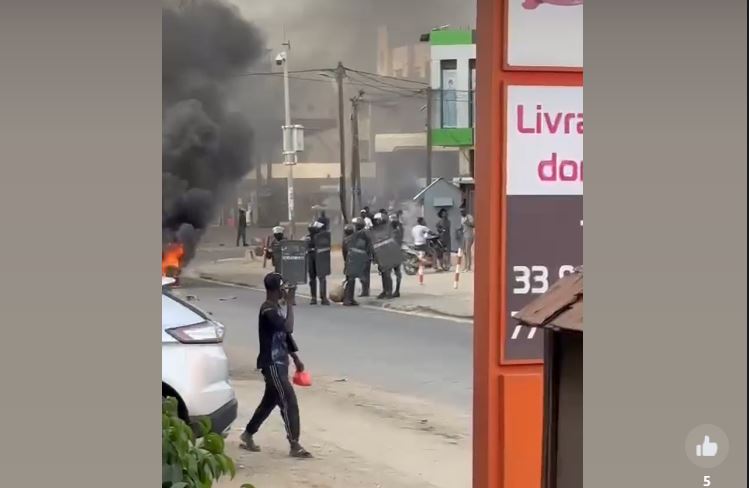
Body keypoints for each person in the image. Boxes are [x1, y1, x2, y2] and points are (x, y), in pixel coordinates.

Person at [240, 273, 312, 458]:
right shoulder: (268, 310)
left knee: (269, 402)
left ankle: (248, 434)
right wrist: (290, 303)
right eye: (283, 288)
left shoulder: (274, 308)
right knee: (288, 401)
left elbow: (284, 336)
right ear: (276, 289)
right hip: (271, 364)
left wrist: (295, 358)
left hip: (280, 363)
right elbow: (288, 328)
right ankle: (294, 444)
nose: (284, 291)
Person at [305, 221, 329, 305]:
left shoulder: (321, 238)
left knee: (318, 278)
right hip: (314, 257)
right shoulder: (310, 238)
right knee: (318, 278)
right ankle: (318, 298)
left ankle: (319, 298)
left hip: (317, 257)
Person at [372, 212, 393, 299]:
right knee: (383, 274)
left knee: (387, 274)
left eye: (378, 220)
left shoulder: (388, 230)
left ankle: (389, 292)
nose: (377, 222)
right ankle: (385, 290)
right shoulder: (377, 230)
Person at [341, 223, 359, 306]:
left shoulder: (345, 240)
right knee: (351, 280)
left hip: (348, 261)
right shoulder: (354, 240)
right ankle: (347, 299)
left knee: (350, 280)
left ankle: (350, 298)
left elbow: (344, 253)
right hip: (352, 261)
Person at [388, 213, 404, 298]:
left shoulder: (392, 233)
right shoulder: (399, 232)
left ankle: (392, 291)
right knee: (397, 273)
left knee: (389, 273)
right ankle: (396, 290)